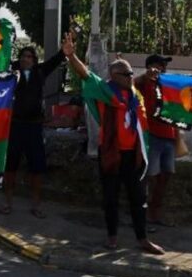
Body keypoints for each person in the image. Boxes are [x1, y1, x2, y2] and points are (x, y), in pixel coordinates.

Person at [64, 33, 165, 255]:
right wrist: (71, 56)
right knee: (110, 197)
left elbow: (140, 84)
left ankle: (142, 239)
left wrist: (148, 74)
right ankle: (112, 237)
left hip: (135, 156)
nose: (130, 77)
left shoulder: (134, 95)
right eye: (126, 74)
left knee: (138, 198)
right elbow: (86, 74)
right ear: (113, 75)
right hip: (112, 153)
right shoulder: (105, 91)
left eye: (131, 73)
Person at [0, 44, 66, 219]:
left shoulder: (40, 72)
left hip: (34, 127)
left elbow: (55, 61)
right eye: (22, 56)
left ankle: (36, 205)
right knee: (10, 166)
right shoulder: (12, 72)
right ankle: (7, 202)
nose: (25, 59)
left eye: (29, 56)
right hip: (14, 126)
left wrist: (64, 51)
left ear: (34, 60)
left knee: (36, 168)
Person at [134, 54, 178, 229]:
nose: (163, 68)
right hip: (151, 136)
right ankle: (141, 216)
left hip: (169, 136)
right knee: (148, 177)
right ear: (150, 66)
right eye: (160, 65)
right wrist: (146, 76)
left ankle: (155, 213)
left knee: (165, 176)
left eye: (164, 65)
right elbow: (130, 86)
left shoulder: (168, 84)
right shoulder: (144, 83)